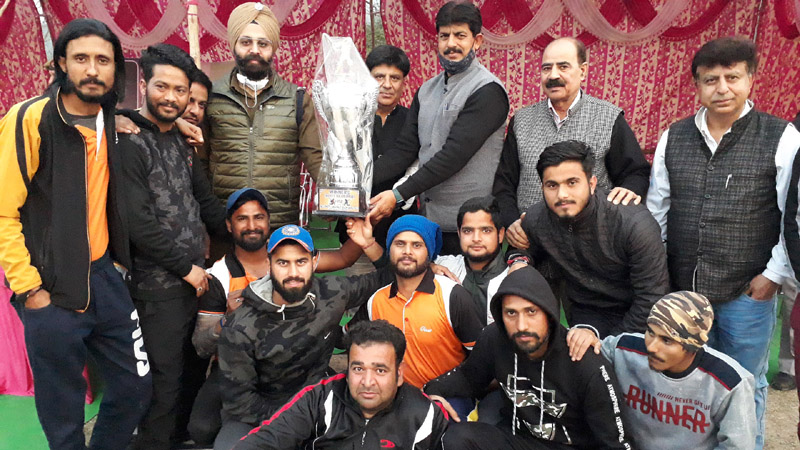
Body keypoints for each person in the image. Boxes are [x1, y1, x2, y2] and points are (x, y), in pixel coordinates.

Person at [0, 18, 151, 449]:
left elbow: (139, 118)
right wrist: (31, 291)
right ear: (61, 63)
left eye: (103, 60)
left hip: (104, 278)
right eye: (81, 58)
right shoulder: (29, 118)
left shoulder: (107, 117)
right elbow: (3, 212)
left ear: (116, 69)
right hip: (49, 288)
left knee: (135, 387)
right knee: (63, 416)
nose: (92, 70)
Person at [647, 36, 800, 449]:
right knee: (694, 382)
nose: (722, 88)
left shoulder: (781, 137)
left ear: (750, 79)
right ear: (697, 85)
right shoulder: (674, 136)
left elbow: (792, 215)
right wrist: (660, 277)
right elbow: (657, 210)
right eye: (710, 79)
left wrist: (772, 277)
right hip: (685, 289)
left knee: (744, 383)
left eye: (732, 77)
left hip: (747, 292)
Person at [186, 187, 386, 446]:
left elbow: (390, 277)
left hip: (313, 399)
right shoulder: (240, 321)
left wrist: (369, 243)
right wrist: (295, 424)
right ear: (269, 265)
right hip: (260, 410)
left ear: (314, 263)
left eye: (300, 262)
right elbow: (242, 404)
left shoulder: (334, 292)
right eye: (283, 263)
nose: (293, 272)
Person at [117, 43, 228, 450]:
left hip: (195, 280)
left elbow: (205, 201)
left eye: (180, 90)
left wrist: (254, 234)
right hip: (158, 286)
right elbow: (139, 224)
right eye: (162, 87)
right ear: (144, 84)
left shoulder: (181, 140)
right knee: (162, 383)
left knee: (192, 372)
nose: (171, 98)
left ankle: (180, 439)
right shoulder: (129, 142)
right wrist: (187, 269)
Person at [425, 265, 632, 449]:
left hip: (569, 445)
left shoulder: (585, 362)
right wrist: (431, 391)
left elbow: (616, 443)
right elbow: (468, 378)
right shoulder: (494, 338)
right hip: (517, 438)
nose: (521, 325)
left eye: (531, 312)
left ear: (549, 313)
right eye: (511, 313)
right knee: (456, 438)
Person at [369, 1, 510, 255]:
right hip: (429, 222)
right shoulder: (426, 90)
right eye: (444, 36)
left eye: (460, 36)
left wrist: (398, 194)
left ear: (477, 41)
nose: (451, 44)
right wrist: (357, 182)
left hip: (472, 226)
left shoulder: (488, 91)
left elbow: (452, 156)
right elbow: (405, 149)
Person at [510, 140, 669, 337]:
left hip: (638, 318)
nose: (562, 194)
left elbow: (651, 297)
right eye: (552, 185)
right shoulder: (538, 217)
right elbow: (520, 247)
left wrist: (609, 345)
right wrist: (518, 261)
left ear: (592, 184)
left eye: (572, 183)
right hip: (584, 314)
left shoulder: (633, 223)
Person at [493, 37, 650, 231]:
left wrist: (629, 190)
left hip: (590, 237)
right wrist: (512, 223)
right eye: (547, 68)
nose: (553, 75)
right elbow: (504, 183)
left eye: (563, 67)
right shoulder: (522, 120)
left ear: (583, 71)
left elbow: (636, 173)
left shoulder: (608, 118)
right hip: (530, 236)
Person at [566, 291, 756, 449]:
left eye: (667, 340)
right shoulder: (624, 349)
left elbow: (737, 446)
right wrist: (585, 333)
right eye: (650, 332)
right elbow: (591, 350)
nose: (652, 347)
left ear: (694, 346)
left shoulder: (730, 382)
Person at [233, 319, 449, 449]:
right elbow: (267, 440)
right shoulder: (320, 398)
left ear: (399, 374)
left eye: (380, 370)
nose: (367, 382)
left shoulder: (425, 414)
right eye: (358, 369)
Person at [202, 2, 321, 230]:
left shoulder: (297, 99)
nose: (254, 50)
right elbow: (199, 161)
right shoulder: (212, 96)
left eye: (263, 44)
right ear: (233, 45)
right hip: (225, 222)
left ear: (273, 48)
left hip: (278, 222)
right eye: (246, 42)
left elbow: (315, 157)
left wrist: (335, 195)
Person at [354, 215, 483, 416]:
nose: (407, 251)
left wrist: (440, 388)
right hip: (393, 400)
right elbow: (345, 339)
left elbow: (480, 360)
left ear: (429, 253)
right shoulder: (376, 300)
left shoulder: (452, 296)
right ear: (389, 249)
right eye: (400, 244)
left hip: (448, 398)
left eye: (417, 245)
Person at [336, 44, 416, 263]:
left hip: (400, 229)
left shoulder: (414, 120)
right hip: (354, 228)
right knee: (357, 281)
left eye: (395, 78)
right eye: (379, 77)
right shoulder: (347, 120)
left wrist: (397, 198)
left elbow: (418, 169)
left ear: (404, 83)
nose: (387, 85)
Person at [435, 195, 511, 325]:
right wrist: (427, 267)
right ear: (459, 233)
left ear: (500, 234)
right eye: (468, 231)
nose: (476, 238)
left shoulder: (513, 277)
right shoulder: (445, 266)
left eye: (486, 230)